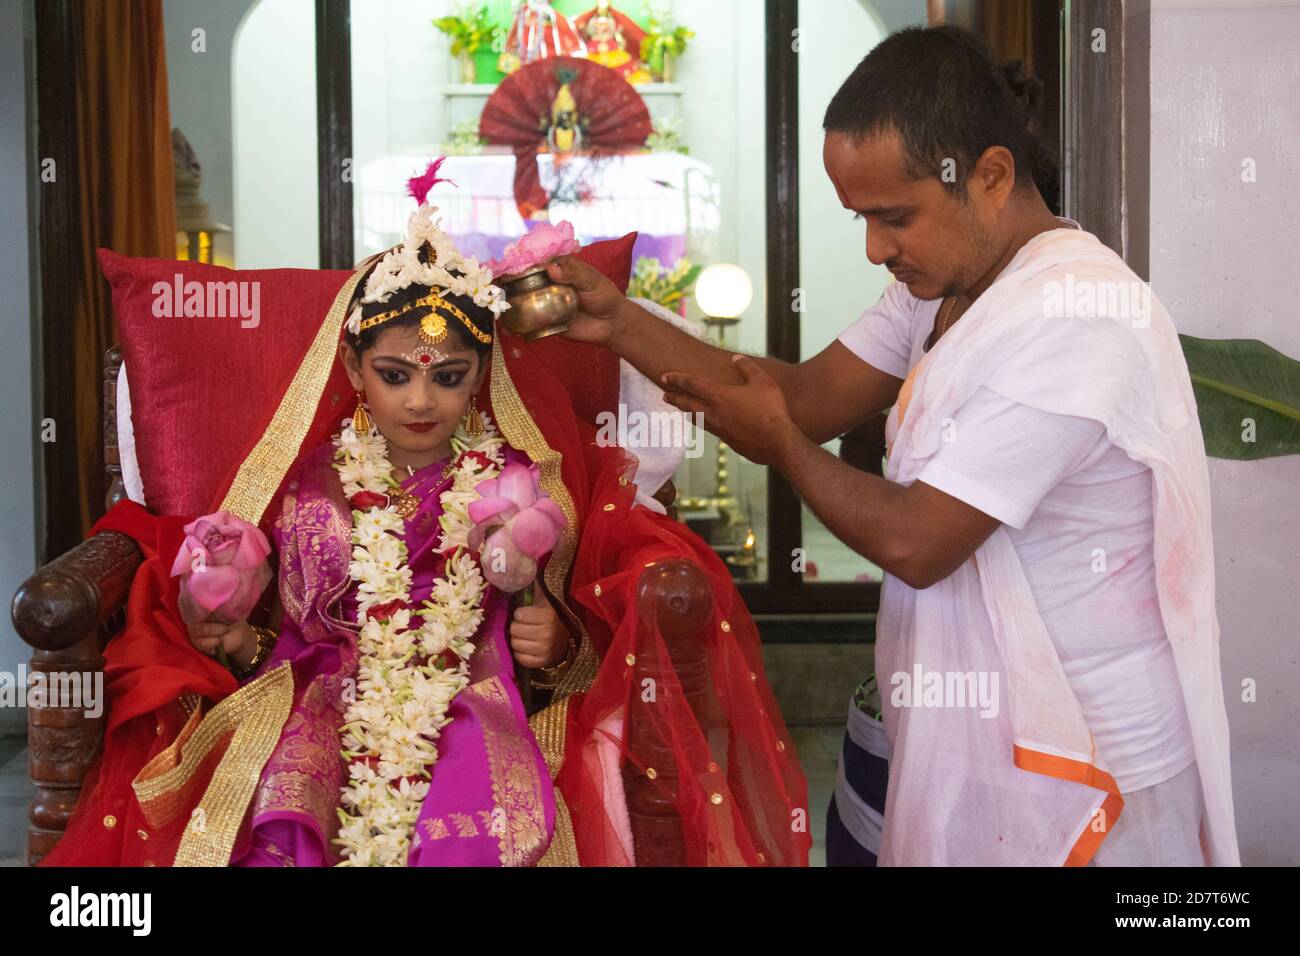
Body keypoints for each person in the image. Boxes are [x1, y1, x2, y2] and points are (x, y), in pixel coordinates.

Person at [543, 25, 1239, 866]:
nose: (876, 248)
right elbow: (802, 398)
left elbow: (919, 540)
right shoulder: (940, 291)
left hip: (1086, 764)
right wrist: (620, 323)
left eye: (894, 216)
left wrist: (784, 451)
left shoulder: (1076, 314)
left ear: (989, 176)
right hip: (964, 735)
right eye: (862, 218)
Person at [40, 167, 809, 867]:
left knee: (466, 826)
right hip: (323, 697)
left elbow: (563, 624)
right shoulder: (312, 484)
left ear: (480, 378)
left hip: (470, 692)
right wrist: (244, 642)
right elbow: (297, 633)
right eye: (394, 374)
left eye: (447, 377)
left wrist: (555, 640)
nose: (419, 400)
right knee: (288, 818)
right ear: (351, 370)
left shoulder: (513, 483)